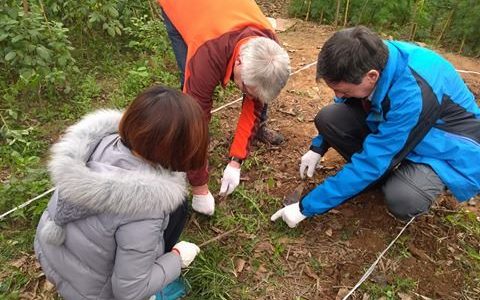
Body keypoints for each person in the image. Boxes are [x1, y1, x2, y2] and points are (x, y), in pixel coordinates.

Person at [271, 26, 480, 228]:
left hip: (445, 147)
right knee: (329, 118)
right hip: (406, 128)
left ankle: (399, 178)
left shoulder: (412, 94)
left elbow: (373, 160)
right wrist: (318, 147)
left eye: (342, 90)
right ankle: (376, 177)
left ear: (372, 76)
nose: (337, 96)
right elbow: (345, 103)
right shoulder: (373, 56)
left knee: (404, 197)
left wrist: (305, 207)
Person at [34, 85, 209, 299]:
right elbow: (129, 292)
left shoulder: (99, 143)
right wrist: (176, 258)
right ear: (178, 148)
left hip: (52, 255)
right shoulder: (145, 207)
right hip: (92, 291)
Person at [157, 0, 291, 216]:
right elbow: (196, 121)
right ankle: (182, 155)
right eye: (246, 90)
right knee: (191, 91)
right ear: (238, 62)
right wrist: (199, 187)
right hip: (180, 7)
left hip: (222, 13)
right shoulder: (206, 53)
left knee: (253, 91)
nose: (248, 97)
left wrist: (236, 160)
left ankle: (254, 132)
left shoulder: (269, 46)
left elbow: (253, 104)